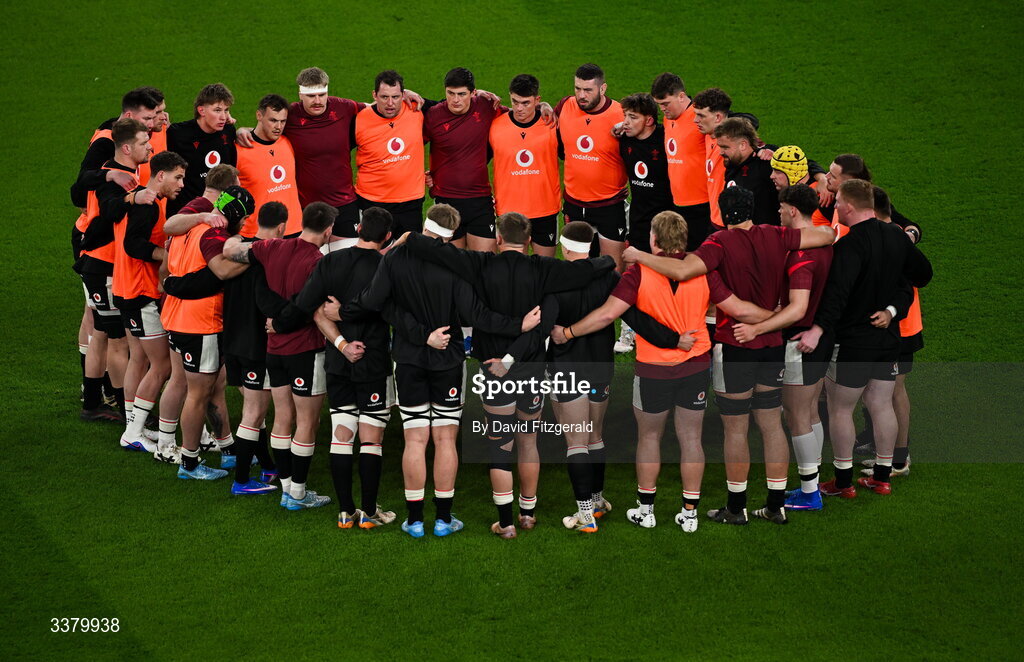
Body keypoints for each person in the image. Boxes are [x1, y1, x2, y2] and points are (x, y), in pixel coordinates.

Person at [622, 187, 836, 525]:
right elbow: (826, 234)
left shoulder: (717, 244)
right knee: (770, 424)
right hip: (772, 347)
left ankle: (736, 509)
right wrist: (773, 319)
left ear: (720, 213)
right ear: (754, 208)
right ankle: (775, 505)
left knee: (736, 429)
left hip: (735, 345)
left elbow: (680, 271)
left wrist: (638, 256)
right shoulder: (778, 235)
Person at [403, 211, 615, 538]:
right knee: (529, 441)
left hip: (494, 369)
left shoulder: (480, 264)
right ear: (529, 241)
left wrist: (411, 237)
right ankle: (528, 513)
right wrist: (606, 262)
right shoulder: (544, 268)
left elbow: (436, 250)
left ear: (498, 238)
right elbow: (587, 269)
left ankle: (506, 523)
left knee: (500, 444)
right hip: (530, 368)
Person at [342, 204, 541, 538]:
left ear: (424, 224)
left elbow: (375, 301)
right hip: (448, 361)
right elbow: (477, 315)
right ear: (454, 232)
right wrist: (518, 324)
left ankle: (416, 519)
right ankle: (444, 519)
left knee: (415, 438)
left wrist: (346, 312)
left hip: (408, 359)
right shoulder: (456, 265)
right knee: (446, 437)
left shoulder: (395, 258)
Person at [553, 212, 712, 532]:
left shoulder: (558, 278)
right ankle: (605, 501)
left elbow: (601, 315)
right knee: (598, 436)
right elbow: (640, 319)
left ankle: (597, 514)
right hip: (617, 368)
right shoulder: (616, 276)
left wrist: (564, 334)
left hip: (585, 368)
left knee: (580, 442)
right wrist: (676, 339)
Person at [793, 180, 932, 498]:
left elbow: (837, 296)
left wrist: (819, 329)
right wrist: (892, 311)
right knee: (881, 403)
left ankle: (842, 483)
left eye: (838, 201)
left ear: (850, 207)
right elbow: (921, 274)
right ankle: (882, 478)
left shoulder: (849, 246)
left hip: (853, 342)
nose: (834, 206)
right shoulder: (896, 238)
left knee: (841, 410)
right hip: (888, 339)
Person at [269, 207, 399, 528]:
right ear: (387, 238)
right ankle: (369, 513)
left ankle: (345, 512)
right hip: (374, 362)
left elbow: (309, 307)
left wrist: (339, 342)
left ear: (357, 228)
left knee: (341, 436)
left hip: (338, 361)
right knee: (371, 440)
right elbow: (392, 313)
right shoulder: (388, 267)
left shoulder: (329, 261)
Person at [223, 202, 337, 510]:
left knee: (282, 418)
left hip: (273, 352)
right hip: (305, 351)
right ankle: (297, 494)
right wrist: (285, 321)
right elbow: (307, 308)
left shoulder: (271, 246)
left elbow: (236, 258)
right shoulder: (318, 263)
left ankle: (286, 486)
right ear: (327, 231)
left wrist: (232, 238)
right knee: (307, 423)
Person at [729, 184, 834, 510]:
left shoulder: (801, 256)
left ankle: (810, 492)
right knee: (811, 411)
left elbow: (797, 308)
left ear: (791, 210)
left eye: (780, 208)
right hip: (819, 338)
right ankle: (812, 483)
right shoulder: (821, 239)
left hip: (798, 342)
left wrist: (759, 326)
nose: (776, 212)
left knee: (796, 416)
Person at [161, 185, 255, 480]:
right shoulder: (216, 237)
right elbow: (220, 274)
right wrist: (259, 251)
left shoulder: (191, 224)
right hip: (201, 323)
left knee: (212, 386)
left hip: (175, 317)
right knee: (198, 394)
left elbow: (169, 269)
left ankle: (227, 448)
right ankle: (189, 463)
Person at [74, 118, 153, 424]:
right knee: (117, 340)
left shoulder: (117, 171)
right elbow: (108, 211)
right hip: (103, 264)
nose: (150, 147)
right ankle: (129, 413)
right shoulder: (115, 178)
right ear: (127, 147)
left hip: (101, 262)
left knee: (100, 333)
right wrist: (134, 198)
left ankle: (93, 403)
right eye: (145, 143)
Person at [111, 150, 187, 456]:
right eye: (178, 177)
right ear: (160, 176)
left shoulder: (146, 199)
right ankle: (133, 432)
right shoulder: (147, 205)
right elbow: (133, 245)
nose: (182, 184)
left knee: (141, 360)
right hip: (139, 293)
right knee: (162, 365)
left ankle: (136, 426)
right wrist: (165, 255)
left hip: (130, 289)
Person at [861, 186, 923, 478]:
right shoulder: (891, 233)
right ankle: (888, 454)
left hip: (901, 326)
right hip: (895, 324)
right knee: (883, 391)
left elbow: (921, 275)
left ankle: (899, 459)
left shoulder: (892, 238)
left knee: (893, 391)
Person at [424, 67, 505, 252]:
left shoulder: (486, 106)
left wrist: (541, 107)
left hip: (480, 201)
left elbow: (518, 116)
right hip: (446, 202)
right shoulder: (433, 115)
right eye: (450, 93)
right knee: (448, 267)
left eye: (461, 94)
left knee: (485, 264)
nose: (455, 100)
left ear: (473, 93)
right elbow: (410, 144)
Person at [557, 63, 628, 269]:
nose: (581, 95)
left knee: (613, 270)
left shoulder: (621, 115)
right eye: (577, 88)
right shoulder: (564, 106)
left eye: (588, 90)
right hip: (574, 202)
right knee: (576, 269)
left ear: (603, 88)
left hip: (610, 204)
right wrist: (543, 106)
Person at [489, 74, 560, 257]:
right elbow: (477, 160)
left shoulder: (552, 124)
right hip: (509, 211)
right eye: (515, 101)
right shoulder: (495, 126)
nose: (519, 108)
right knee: (513, 271)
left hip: (545, 209)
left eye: (526, 103)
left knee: (544, 270)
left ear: (537, 100)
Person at [354, 70, 426, 237]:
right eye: (384, 97)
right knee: (373, 256)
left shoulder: (418, 110)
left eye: (395, 97)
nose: (390, 103)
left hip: (410, 203)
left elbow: (450, 107)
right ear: (375, 95)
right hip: (373, 203)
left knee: (409, 257)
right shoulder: (358, 119)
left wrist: (477, 95)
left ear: (403, 95)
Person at [650, 73, 713, 250]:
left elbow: (731, 123)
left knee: (698, 257)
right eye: (659, 104)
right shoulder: (668, 118)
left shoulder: (699, 117)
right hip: (677, 201)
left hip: (702, 204)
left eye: (666, 103)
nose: (662, 108)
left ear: (681, 96)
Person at [235, 94, 302, 236]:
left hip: (293, 229)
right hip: (256, 233)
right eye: (273, 120)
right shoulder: (238, 149)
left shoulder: (288, 142)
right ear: (259, 115)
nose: (278, 127)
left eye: (283, 121)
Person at [167, 84, 237, 215]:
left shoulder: (228, 131)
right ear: (201, 110)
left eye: (226, 110)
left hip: (219, 212)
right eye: (217, 110)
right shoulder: (177, 134)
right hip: (185, 212)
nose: (223, 116)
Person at [714, 118, 780, 226]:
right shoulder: (733, 163)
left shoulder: (765, 164)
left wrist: (818, 175)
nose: (721, 152)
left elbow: (801, 166)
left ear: (743, 145)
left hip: (764, 238)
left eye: (725, 147)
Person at [691, 88, 732, 235]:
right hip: (714, 219)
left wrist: (764, 150)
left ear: (718, 117)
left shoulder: (734, 145)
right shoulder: (709, 135)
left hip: (729, 225)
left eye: (701, 116)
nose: (695, 120)